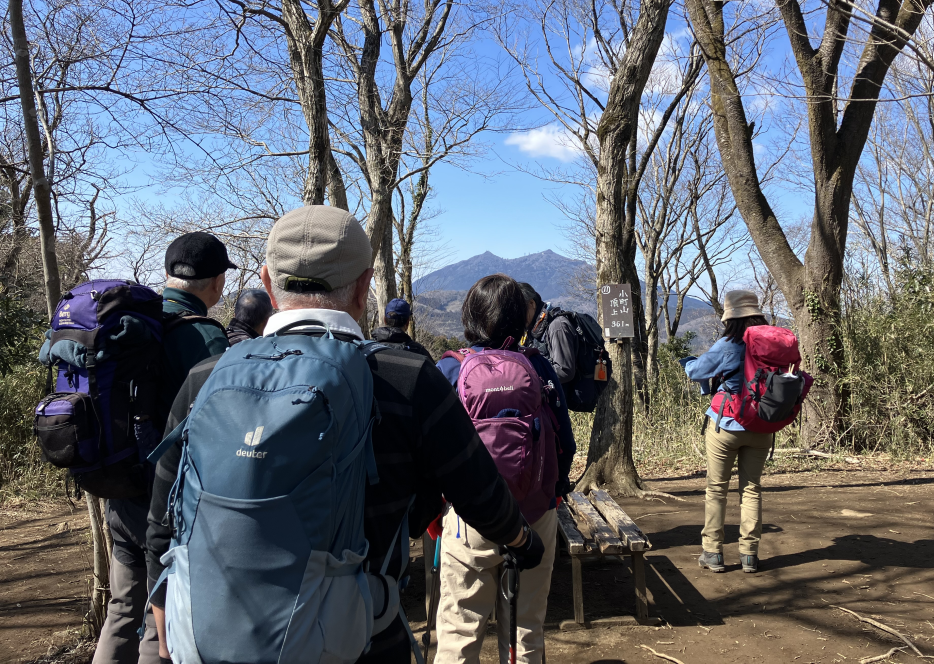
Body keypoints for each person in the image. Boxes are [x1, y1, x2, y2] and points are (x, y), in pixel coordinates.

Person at [146, 206, 544, 663]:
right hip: (360, 642)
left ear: (268, 282)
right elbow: (478, 491)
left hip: (213, 641)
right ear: (363, 285)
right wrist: (521, 540)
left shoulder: (206, 377)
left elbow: (163, 527)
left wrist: (168, 636)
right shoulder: (404, 378)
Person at [94, 232, 232, 664]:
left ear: (168, 274)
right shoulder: (205, 337)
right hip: (169, 504)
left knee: (121, 611)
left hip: (118, 489)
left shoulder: (131, 324)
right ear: (218, 283)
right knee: (161, 624)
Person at [434, 274, 576, 664]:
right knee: (525, 629)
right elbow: (565, 442)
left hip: (468, 518)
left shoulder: (450, 369)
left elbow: (430, 450)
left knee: (459, 629)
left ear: (470, 316)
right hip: (534, 514)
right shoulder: (539, 367)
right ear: (520, 318)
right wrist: (552, 490)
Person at [683, 290, 772, 574]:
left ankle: (713, 552)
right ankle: (749, 555)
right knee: (751, 489)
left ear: (730, 318)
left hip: (727, 424)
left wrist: (688, 362)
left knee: (717, 489)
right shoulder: (772, 344)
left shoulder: (729, 344)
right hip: (762, 426)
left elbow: (697, 371)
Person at [519, 282, 577, 384]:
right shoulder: (531, 329)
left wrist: (525, 375)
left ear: (532, 303)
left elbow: (564, 371)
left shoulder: (557, 326)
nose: (517, 315)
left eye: (519, 309)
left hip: (569, 397)